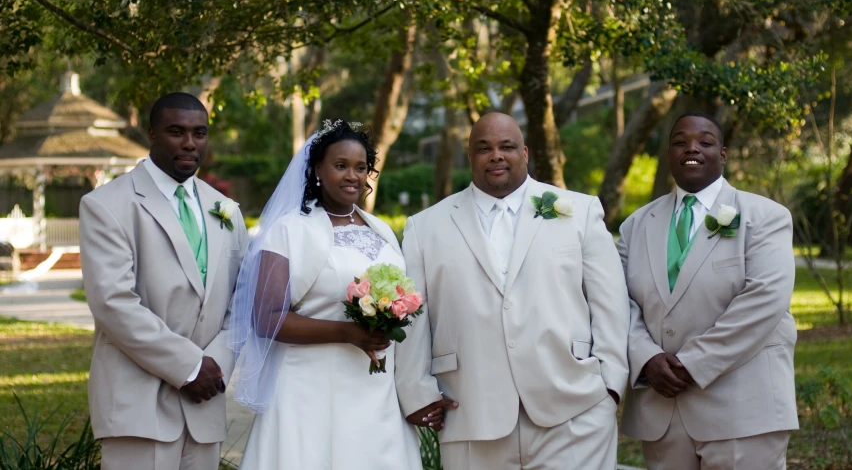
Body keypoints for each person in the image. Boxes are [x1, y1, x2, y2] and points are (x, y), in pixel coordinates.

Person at [394, 112, 629, 469]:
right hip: (471, 413)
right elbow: (414, 316)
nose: (496, 155)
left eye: (507, 146)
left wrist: (609, 388)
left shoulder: (578, 211)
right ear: (470, 155)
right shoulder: (425, 227)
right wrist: (417, 392)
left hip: (575, 412)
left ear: (526, 153)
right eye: (483, 148)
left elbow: (610, 303)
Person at [229, 120, 422, 470]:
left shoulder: (380, 230)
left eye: (360, 167)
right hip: (309, 389)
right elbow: (265, 318)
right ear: (318, 169)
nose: (352, 176)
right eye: (341, 166)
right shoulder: (289, 230)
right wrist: (348, 333)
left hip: (373, 391)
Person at [619, 112, 798, 469]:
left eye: (705, 141)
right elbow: (615, 301)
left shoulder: (764, 217)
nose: (692, 148)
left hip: (743, 408)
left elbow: (765, 300)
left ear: (724, 154)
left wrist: (692, 364)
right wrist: (646, 357)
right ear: (668, 154)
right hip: (663, 411)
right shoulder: (636, 225)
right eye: (680, 142)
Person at [79, 92, 249, 470]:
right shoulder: (107, 205)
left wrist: (215, 365)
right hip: (137, 405)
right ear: (151, 133)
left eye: (200, 133)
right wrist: (189, 367)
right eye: (176, 131)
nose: (190, 143)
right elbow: (113, 303)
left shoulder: (226, 210)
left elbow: (242, 301)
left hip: (205, 403)